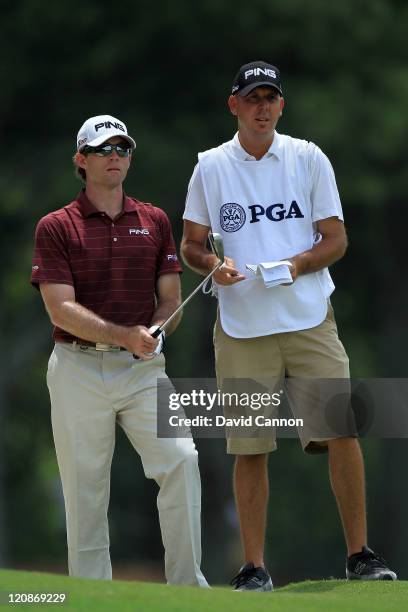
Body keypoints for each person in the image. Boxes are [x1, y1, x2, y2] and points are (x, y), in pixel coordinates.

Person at [181, 62, 396, 589]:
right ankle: (253, 566)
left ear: (281, 105)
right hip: (242, 327)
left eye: (270, 98)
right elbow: (190, 244)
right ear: (234, 105)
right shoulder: (211, 166)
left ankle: (360, 555)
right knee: (250, 446)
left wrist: (297, 266)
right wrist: (215, 267)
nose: (262, 107)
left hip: (308, 319)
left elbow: (336, 238)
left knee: (342, 430)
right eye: (252, 98)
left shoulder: (307, 158)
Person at [31, 114, 208, 586]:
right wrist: (124, 335)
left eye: (123, 148)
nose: (115, 156)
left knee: (182, 460)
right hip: (77, 368)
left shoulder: (152, 220)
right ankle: (92, 595)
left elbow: (171, 299)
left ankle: (188, 590)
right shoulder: (56, 226)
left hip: (143, 370)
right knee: (85, 489)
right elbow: (60, 309)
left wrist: (156, 329)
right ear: (81, 160)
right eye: (104, 148)